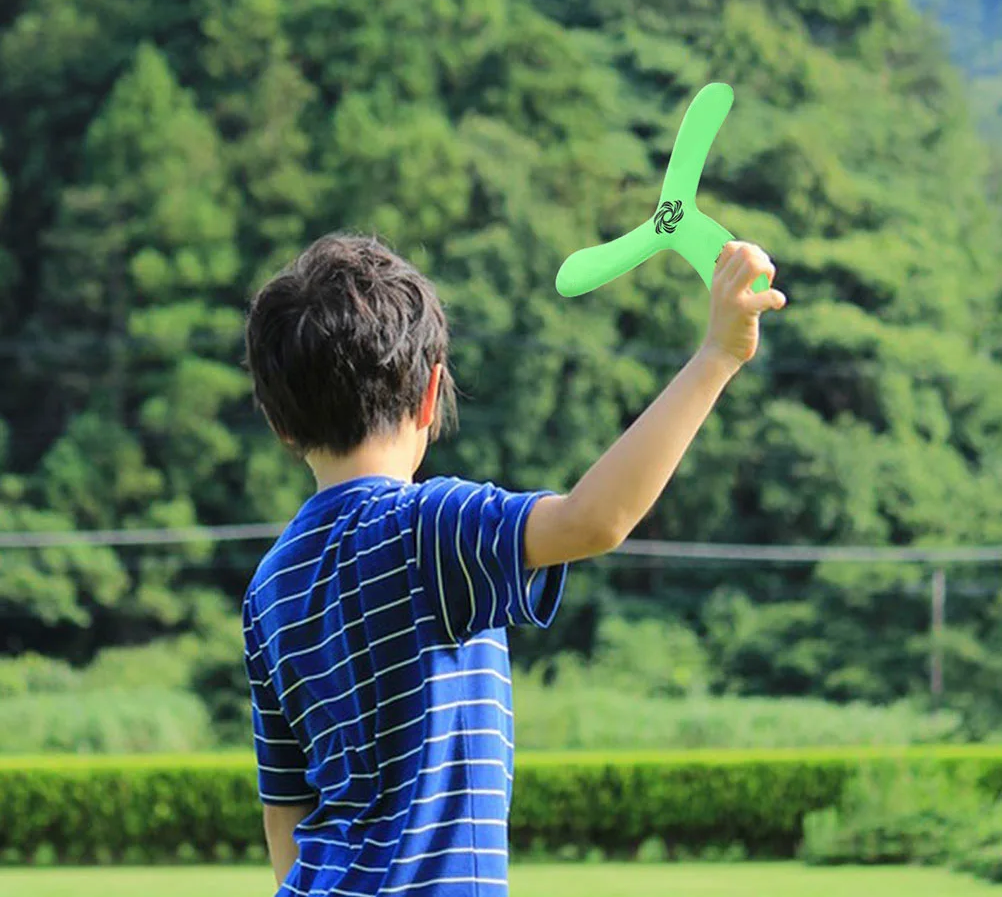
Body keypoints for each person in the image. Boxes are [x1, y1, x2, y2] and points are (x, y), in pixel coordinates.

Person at [241, 232, 785, 896]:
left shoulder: (270, 584)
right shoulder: (428, 528)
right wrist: (716, 355)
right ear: (431, 392)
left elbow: (285, 814)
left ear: (280, 424)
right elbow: (593, 520)